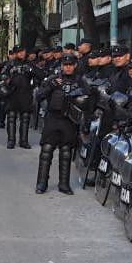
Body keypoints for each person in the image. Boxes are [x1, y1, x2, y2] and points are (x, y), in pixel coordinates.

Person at [34, 53, 88, 194]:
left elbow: (89, 100)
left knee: (65, 153)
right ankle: (41, 183)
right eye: (65, 65)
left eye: (70, 65)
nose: (68, 67)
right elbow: (39, 96)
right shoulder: (54, 79)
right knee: (46, 150)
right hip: (52, 118)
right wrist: (50, 86)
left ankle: (64, 184)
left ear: (75, 65)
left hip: (69, 121)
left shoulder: (81, 81)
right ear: (62, 65)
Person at [2, 46, 34, 149]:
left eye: (23, 51)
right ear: (15, 54)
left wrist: (30, 72)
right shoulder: (10, 65)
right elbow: (1, 76)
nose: (21, 54)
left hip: (26, 94)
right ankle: (11, 140)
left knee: (25, 118)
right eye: (19, 52)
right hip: (13, 94)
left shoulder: (30, 64)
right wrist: (7, 80)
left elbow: (40, 75)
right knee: (11, 118)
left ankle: (24, 141)